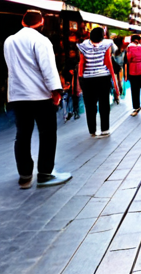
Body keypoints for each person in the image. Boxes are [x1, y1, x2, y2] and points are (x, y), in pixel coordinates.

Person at [4, 10, 72, 188]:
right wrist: (56, 91)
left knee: (22, 135)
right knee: (47, 133)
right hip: (40, 95)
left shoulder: (9, 41)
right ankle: (45, 173)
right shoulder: (41, 40)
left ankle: (25, 175)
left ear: (22, 21)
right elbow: (48, 68)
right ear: (41, 23)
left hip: (18, 95)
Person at [78, 27, 119, 137]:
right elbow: (108, 61)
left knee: (89, 105)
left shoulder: (84, 45)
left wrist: (80, 78)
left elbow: (81, 63)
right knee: (104, 103)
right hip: (103, 77)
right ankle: (104, 129)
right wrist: (115, 82)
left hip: (87, 79)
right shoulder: (107, 44)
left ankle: (92, 130)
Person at [126, 35, 141, 116]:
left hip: (133, 70)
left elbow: (128, 59)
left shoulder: (129, 48)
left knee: (134, 89)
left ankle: (136, 106)